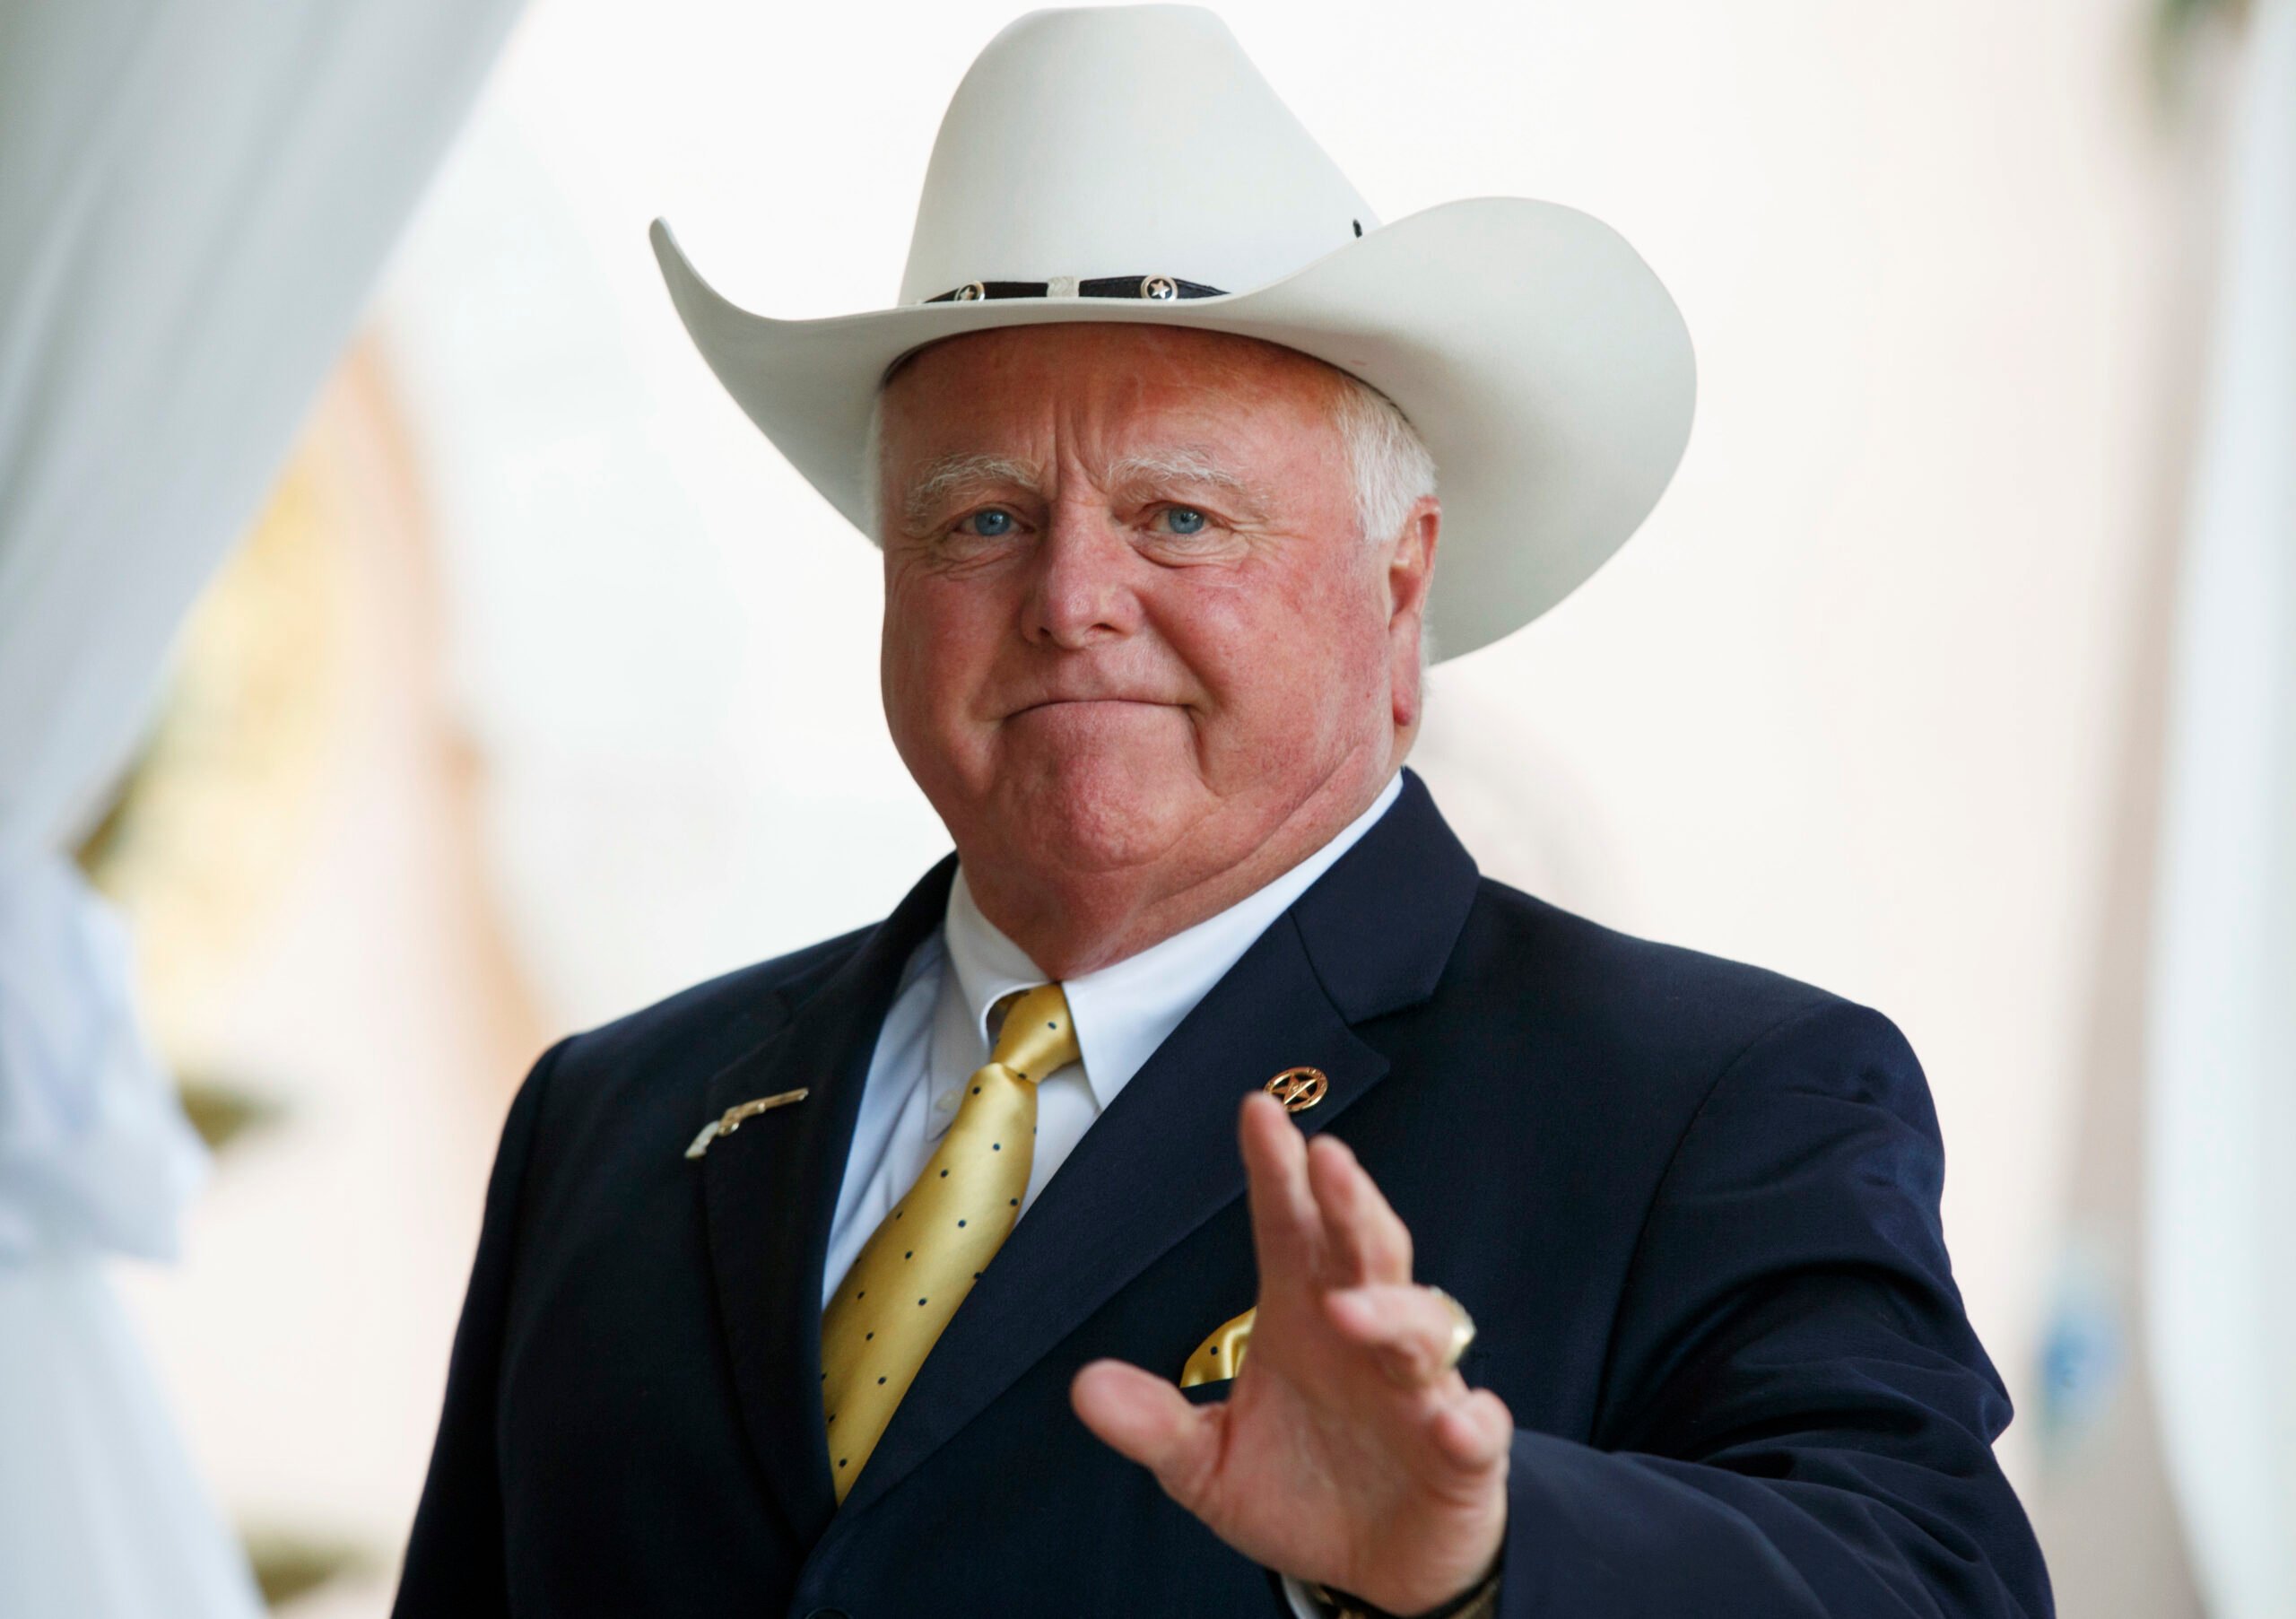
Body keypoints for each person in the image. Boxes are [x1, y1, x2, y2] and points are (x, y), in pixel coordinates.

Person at [394, 9, 2052, 1617]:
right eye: (980, 519)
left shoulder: (1705, 1103)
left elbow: (1930, 1580)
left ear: (1399, 595)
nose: (1070, 598)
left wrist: (1485, 1559)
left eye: (1180, 516)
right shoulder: (610, 1119)